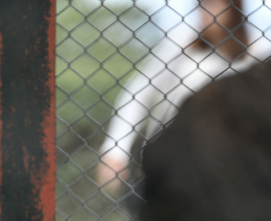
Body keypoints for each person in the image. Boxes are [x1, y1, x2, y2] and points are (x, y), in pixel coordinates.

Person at [96, 0, 257, 196]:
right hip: (169, 161)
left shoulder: (256, 52)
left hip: (226, 167)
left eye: (213, 3)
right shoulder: (182, 42)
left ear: (234, 8)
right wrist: (116, 149)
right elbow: (139, 92)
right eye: (201, 4)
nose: (204, 11)